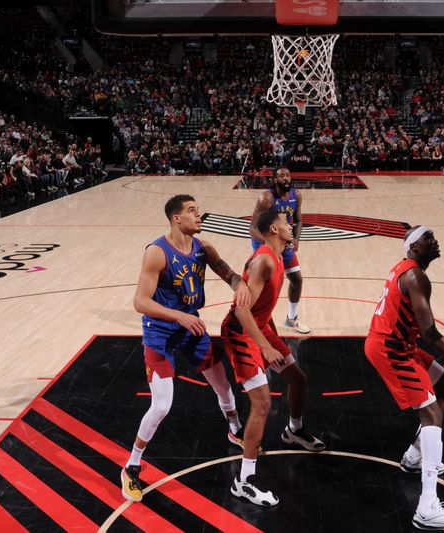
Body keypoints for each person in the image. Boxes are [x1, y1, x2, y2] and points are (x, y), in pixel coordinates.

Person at [121, 194, 252, 502]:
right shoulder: (157, 252)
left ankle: (234, 429)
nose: (199, 215)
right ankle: (131, 465)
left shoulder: (203, 248)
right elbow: (140, 302)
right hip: (161, 333)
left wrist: (240, 283)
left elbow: (227, 272)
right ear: (176, 218)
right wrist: (178, 315)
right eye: (192, 211)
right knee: (162, 405)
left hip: (191, 327)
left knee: (224, 387)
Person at [365, 226, 444, 531]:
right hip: (390, 348)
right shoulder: (415, 276)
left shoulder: (407, 269)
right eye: (428, 238)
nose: (435, 242)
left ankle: (414, 455)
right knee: (431, 414)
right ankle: (427, 506)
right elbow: (431, 333)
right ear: (413, 247)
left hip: (399, 345)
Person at [222, 208, 325, 507]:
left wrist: (270, 338)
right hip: (241, 332)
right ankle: (244, 481)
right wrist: (264, 347)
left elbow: (259, 309)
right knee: (263, 402)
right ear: (272, 230)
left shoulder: (279, 256)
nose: (290, 223)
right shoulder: (264, 260)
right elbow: (241, 310)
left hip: (261, 327)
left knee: (298, 379)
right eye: (284, 221)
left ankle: (294, 430)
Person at [249, 167, 310, 333]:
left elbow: (297, 220)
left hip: (283, 242)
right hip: (263, 242)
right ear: (275, 180)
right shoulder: (266, 198)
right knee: (266, 285)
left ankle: (292, 318)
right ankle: (255, 319)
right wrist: (270, 244)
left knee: (296, 279)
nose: (286, 178)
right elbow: (253, 228)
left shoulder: (296, 196)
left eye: (288, 175)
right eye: (282, 176)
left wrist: (296, 239)